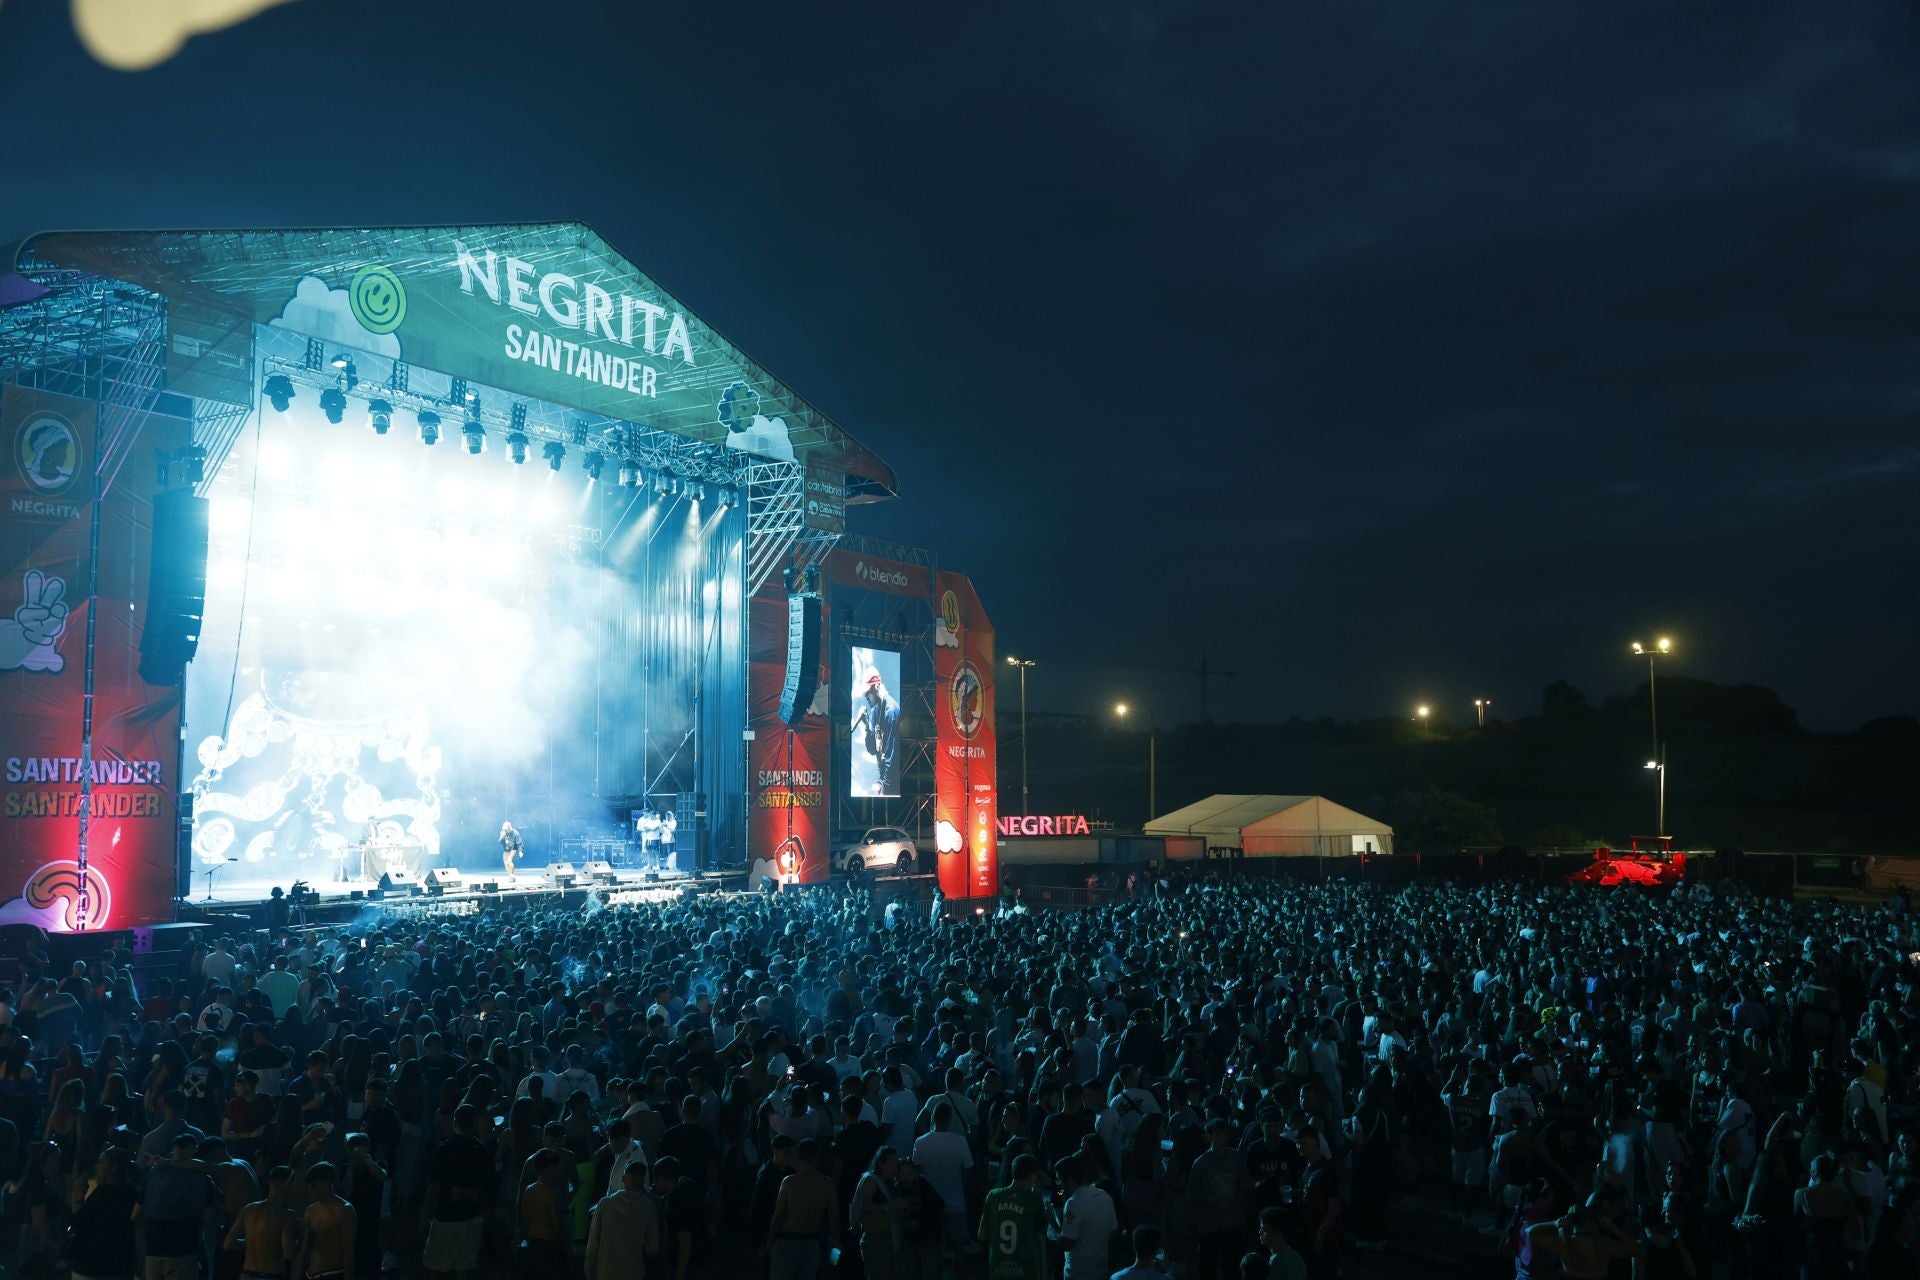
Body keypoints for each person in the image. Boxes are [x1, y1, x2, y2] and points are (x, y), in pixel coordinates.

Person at [420, 1104, 492, 1280]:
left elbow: (435, 1185)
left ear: (454, 1122)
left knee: (435, 1267)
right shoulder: (481, 1149)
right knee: (463, 1268)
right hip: (472, 1216)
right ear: (474, 1124)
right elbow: (487, 1184)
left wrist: (424, 1214)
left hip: (447, 1217)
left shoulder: (445, 1149)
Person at [764, 1137, 840, 1280]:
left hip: (787, 1241)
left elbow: (778, 1217)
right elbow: (834, 1219)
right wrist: (835, 1247)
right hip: (811, 1243)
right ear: (817, 1157)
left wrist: (768, 1245)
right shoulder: (828, 1185)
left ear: (799, 1156)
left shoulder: (789, 1183)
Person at [146, 1132, 216, 1280]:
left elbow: (137, 1212)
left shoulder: (152, 1174)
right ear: (191, 1149)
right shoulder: (200, 1177)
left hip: (153, 1249)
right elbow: (209, 1217)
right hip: (183, 1249)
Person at [70, 1148, 143, 1280]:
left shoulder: (101, 1193)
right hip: (120, 1264)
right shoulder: (133, 1193)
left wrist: (78, 1198)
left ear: (114, 1167)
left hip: (93, 1263)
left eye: (102, 1162)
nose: (98, 1166)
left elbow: (80, 1220)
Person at [585, 1160, 659, 1280]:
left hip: (605, 1272)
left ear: (623, 1179)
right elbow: (653, 1247)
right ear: (643, 1182)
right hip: (633, 1273)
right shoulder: (648, 1208)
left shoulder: (605, 1204)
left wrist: (589, 1270)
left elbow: (593, 1242)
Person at [977, 1152, 1046, 1280]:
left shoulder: (993, 1196)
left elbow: (982, 1235)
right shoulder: (1034, 1199)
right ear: (1031, 1175)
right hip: (1025, 1270)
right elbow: (1040, 1230)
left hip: (998, 1269)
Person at [1051, 1155, 1118, 1280]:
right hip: (1101, 1269)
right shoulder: (1105, 1196)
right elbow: (1112, 1231)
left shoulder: (1074, 1202)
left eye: (1059, 1180)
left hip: (1078, 1273)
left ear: (1069, 1180)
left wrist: (1052, 1234)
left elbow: (1067, 1243)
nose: (1059, 1185)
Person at [225, 1165, 297, 1280]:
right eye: (293, 1183)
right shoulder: (286, 1215)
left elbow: (228, 1244)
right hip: (270, 1275)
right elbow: (288, 1252)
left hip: (246, 1275)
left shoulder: (248, 1209)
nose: (295, 1187)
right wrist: (303, 1238)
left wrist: (256, 1241)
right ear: (286, 1184)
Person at [296, 1162, 357, 1280]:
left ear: (329, 1183)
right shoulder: (310, 1210)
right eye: (308, 1186)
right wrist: (300, 1276)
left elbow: (348, 1251)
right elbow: (305, 1248)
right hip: (310, 1273)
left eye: (314, 1185)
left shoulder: (344, 1210)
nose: (310, 1190)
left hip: (332, 1273)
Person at [850, 1146, 901, 1280]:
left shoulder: (889, 1182)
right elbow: (864, 1205)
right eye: (892, 1162)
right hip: (874, 1237)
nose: (896, 1166)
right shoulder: (870, 1180)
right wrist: (888, 1207)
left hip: (886, 1235)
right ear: (881, 1163)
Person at [1256, 1209, 1307, 1280]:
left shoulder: (1277, 1263)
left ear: (1278, 1234)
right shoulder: (1295, 1255)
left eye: (1264, 1230)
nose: (1259, 1232)